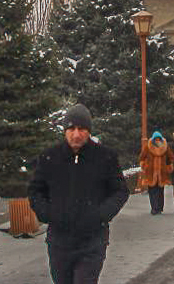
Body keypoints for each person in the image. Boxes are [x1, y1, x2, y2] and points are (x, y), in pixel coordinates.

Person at [28, 104, 129, 284]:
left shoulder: (105, 157)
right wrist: (48, 214)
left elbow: (120, 191)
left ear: (88, 131)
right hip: (60, 241)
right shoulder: (50, 158)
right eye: (71, 129)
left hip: (92, 240)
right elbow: (35, 191)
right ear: (64, 131)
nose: (76, 134)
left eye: (81, 129)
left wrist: (101, 214)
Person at [138, 131, 174, 215]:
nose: (157, 140)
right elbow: (141, 157)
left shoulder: (165, 147)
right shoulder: (148, 147)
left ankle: (159, 208)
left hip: (162, 173)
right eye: (156, 138)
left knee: (160, 191)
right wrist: (144, 165)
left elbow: (171, 157)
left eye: (159, 138)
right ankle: (154, 208)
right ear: (153, 139)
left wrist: (169, 166)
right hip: (150, 173)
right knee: (152, 191)